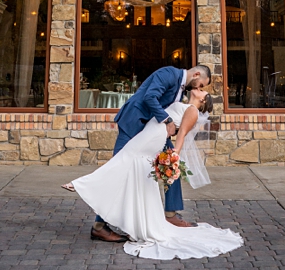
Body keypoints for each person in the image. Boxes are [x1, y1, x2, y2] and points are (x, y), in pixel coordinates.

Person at [64, 86, 243, 260]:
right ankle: (133, 220)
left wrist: (173, 159)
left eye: (203, 90)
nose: (200, 88)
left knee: (125, 159)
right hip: (150, 132)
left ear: (202, 100)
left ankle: (81, 185)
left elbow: (180, 138)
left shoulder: (192, 111)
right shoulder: (181, 101)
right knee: (130, 165)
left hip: (154, 136)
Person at [86, 64, 210, 242]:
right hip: (133, 123)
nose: (199, 88)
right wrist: (167, 120)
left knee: (172, 161)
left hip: (152, 130)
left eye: (202, 89)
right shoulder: (168, 74)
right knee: (119, 170)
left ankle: (170, 213)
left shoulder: (181, 91)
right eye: (201, 84)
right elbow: (150, 97)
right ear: (196, 74)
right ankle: (99, 226)